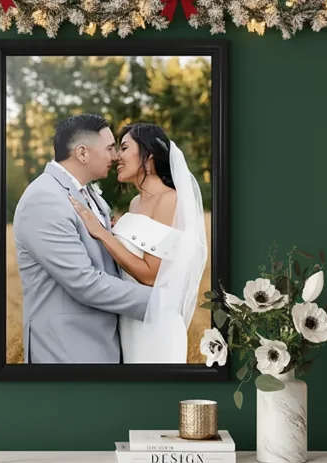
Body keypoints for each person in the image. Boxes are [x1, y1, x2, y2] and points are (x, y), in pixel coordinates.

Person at [13, 113, 153, 364]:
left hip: (101, 345)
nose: (115, 156)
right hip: (66, 351)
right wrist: (159, 301)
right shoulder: (44, 199)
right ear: (82, 153)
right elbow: (84, 282)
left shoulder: (89, 194)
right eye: (110, 148)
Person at [69, 122, 207, 363]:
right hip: (129, 320)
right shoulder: (134, 204)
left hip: (156, 326)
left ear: (149, 154)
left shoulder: (170, 200)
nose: (116, 156)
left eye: (123, 148)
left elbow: (151, 275)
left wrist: (102, 234)